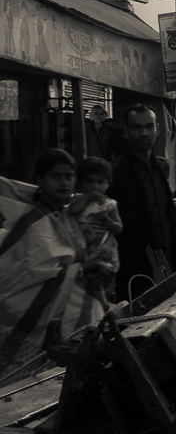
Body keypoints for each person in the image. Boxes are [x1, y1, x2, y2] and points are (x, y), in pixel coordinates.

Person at [0, 150, 109, 384]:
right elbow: (32, 274)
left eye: (69, 176)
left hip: (75, 315)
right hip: (30, 320)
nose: (63, 182)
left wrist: (95, 271)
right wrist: (89, 266)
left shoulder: (70, 214)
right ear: (40, 180)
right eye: (55, 176)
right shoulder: (32, 221)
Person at [108, 104, 176, 300]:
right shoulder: (116, 172)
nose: (144, 133)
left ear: (157, 130)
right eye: (137, 128)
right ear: (127, 132)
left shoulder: (159, 169)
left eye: (149, 126)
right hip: (133, 275)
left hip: (166, 268)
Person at [68, 156, 122, 302]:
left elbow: (118, 228)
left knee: (104, 279)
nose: (95, 187)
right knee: (89, 280)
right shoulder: (78, 200)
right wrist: (87, 197)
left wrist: (106, 220)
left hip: (104, 250)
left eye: (100, 182)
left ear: (108, 184)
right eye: (88, 182)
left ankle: (107, 304)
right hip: (84, 250)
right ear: (80, 183)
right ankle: (102, 305)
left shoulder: (109, 204)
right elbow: (73, 211)